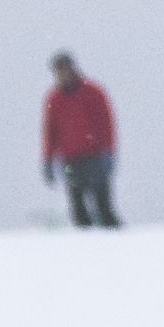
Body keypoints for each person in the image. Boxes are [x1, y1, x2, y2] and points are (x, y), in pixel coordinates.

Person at [43, 52, 121, 229]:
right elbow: (50, 132)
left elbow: (106, 123)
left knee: (103, 208)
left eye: (64, 69)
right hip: (71, 159)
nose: (62, 75)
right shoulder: (54, 99)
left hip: (95, 157)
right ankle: (85, 249)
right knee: (79, 212)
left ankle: (117, 245)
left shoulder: (93, 92)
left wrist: (108, 151)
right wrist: (48, 159)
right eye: (58, 71)